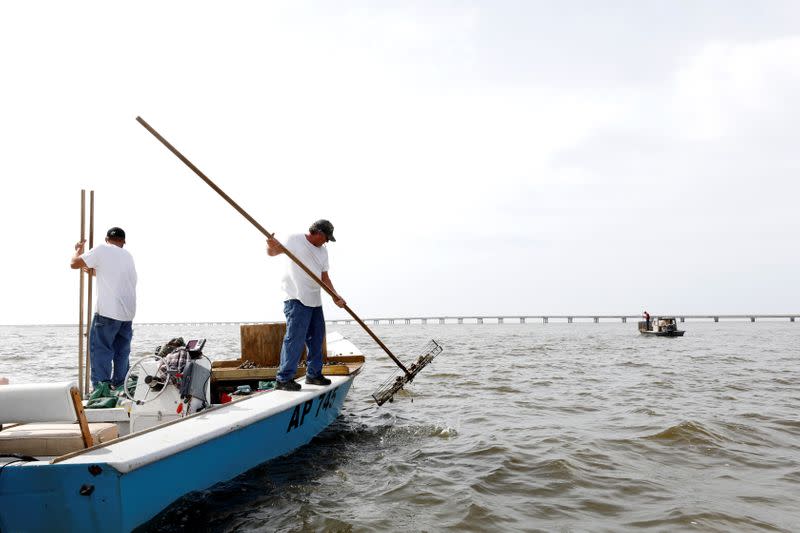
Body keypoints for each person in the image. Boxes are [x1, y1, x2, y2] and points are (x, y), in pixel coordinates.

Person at [266, 219, 346, 391]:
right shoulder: (294, 240)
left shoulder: (323, 252)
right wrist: (270, 244)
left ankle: (314, 375)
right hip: (295, 297)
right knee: (295, 338)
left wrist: (335, 296)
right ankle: (284, 378)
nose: (326, 242)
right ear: (317, 232)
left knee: (317, 338)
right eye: (326, 238)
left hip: (315, 299)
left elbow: (325, 278)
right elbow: (272, 253)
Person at [70, 227, 138, 390]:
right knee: (121, 353)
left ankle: (102, 388)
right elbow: (114, 276)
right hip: (127, 313)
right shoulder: (128, 256)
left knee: (101, 349)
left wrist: (78, 251)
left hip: (108, 311)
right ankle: (121, 386)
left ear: (106, 239)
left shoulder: (102, 248)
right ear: (124, 242)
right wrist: (94, 272)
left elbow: (74, 264)